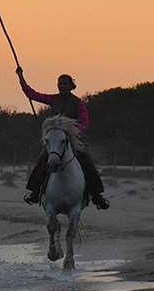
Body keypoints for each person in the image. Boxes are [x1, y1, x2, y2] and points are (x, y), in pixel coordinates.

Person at [17, 67, 110, 209]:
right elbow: (32, 94)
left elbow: (85, 122)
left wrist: (75, 132)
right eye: (59, 83)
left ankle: (97, 196)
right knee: (41, 162)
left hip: (74, 140)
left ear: (71, 86)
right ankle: (35, 193)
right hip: (55, 141)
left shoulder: (78, 103)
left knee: (88, 163)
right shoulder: (52, 99)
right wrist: (21, 77)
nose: (62, 86)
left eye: (64, 84)